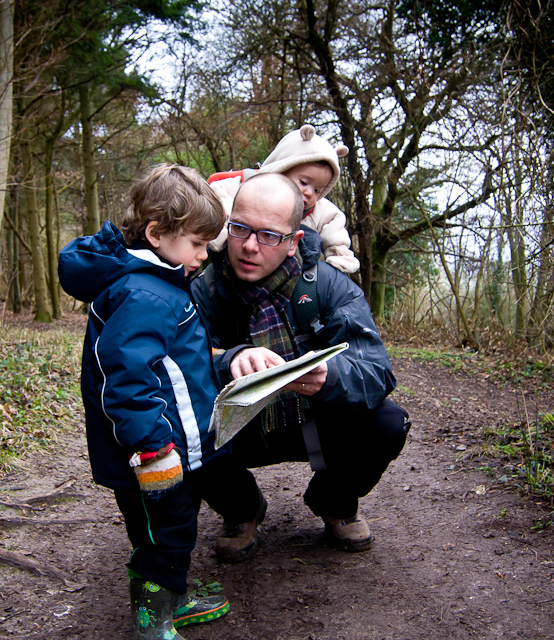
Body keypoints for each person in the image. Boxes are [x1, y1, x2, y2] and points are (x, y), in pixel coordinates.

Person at [192, 172, 410, 563]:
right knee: (177, 429)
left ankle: (335, 503)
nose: (249, 247)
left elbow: (377, 370)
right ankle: (242, 510)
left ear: (294, 243)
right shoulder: (203, 288)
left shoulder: (329, 286)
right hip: (240, 428)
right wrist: (230, 359)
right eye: (240, 229)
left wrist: (330, 378)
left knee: (389, 424)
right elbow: (175, 367)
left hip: (317, 423)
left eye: (269, 235)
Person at [58, 164, 230, 638]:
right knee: (165, 533)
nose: (203, 255)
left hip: (167, 443)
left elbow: (172, 365)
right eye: (197, 243)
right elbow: (128, 378)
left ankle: (172, 595)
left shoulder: (158, 283)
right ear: (157, 233)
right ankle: (153, 616)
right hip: (153, 452)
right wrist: (153, 450)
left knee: (170, 530)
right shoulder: (145, 293)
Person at [208, 124, 360, 274]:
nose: (309, 193)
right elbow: (216, 190)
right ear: (281, 168)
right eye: (304, 182)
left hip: (290, 277)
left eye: (317, 190)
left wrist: (339, 256)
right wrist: (226, 227)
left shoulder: (320, 210)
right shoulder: (249, 187)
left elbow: (335, 228)